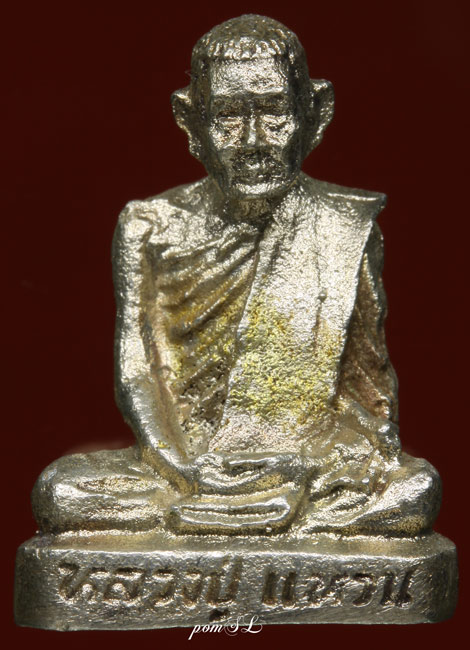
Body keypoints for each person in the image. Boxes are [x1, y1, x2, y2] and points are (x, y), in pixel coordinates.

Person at [32, 15, 441, 537]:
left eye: (274, 112)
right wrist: (179, 466)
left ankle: (247, 515)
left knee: (415, 489)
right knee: (60, 492)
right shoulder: (148, 226)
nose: (253, 140)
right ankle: (238, 513)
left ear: (314, 114)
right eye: (227, 116)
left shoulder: (344, 227)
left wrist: (331, 455)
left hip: (301, 463)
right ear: (191, 121)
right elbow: (138, 370)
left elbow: (369, 393)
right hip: (185, 465)